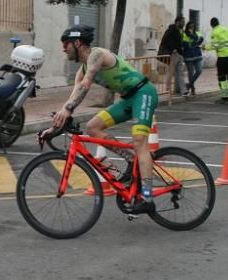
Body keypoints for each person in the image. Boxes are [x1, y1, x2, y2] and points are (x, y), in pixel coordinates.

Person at [48, 25, 159, 212]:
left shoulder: (97, 55)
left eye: (65, 44)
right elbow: (74, 95)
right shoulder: (82, 68)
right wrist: (55, 124)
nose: (63, 49)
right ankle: (132, 161)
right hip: (128, 99)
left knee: (140, 141)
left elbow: (86, 83)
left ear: (77, 43)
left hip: (144, 92)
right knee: (93, 128)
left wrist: (67, 109)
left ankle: (148, 198)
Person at [206, 17, 228, 103]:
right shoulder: (226, 29)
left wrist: (205, 47)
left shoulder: (214, 32)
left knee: (222, 77)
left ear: (211, 25)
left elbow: (215, 45)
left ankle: (225, 97)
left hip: (223, 57)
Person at [158, 15, 186, 96]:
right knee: (170, 72)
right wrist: (171, 49)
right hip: (173, 54)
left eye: (184, 22)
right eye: (182, 22)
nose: (183, 24)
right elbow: (165, 42)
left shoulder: (180, 31)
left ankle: (183, 90)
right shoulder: (171, 30)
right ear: (177, 22)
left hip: (179, 54)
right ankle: (167, 90)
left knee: (180, 73)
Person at [180, 21, 204, 96]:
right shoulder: (184, 35)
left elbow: (200, 41)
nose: (191, 28)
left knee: (199, 71)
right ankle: (192, 88)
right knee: (190, 73)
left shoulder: (197, 33)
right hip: (188, 56)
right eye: (190, 27)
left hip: (197, 55)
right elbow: (185, 45)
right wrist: (193, 41)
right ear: (187, 27)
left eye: (193, 27)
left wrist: (192, 36)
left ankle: (189, 85)